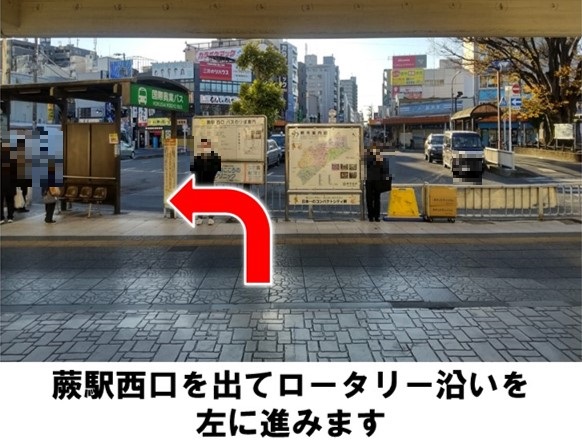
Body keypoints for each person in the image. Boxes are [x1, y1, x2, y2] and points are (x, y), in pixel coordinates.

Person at [190, 138, 221, 225]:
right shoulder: (197, 157)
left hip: (209, 181)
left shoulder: (214, 157)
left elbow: (216, 169)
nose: (204, 148)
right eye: (203, 146)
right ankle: (200, 217)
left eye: (206, 146)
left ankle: (211, 217)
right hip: (199, 182)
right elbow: (193, 170)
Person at [365, 146, 391, 222]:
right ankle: (376, 216)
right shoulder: (379, 158)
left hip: (370, 180)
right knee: (376, 199)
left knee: (370, 199)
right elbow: (385, 170)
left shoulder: (367, 159)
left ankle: (371, 216)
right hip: (377, 181)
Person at [0, 144, 17, 224]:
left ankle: (1, 218)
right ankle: (10, 217)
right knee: (10, 200)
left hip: (2, 183)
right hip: (10, 183)